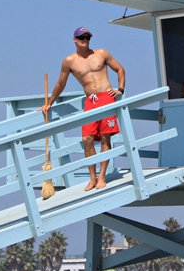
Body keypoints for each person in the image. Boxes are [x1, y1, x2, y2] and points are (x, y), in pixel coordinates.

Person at [42, 26, 126, 191]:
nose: (85, 40)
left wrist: (120, 89)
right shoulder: (69, 61)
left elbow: (120, 69)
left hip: (106, 97)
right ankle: (92, 177)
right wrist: (50, 102)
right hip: (91, 99)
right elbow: (61, 83)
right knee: (87, 139)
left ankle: (102, 176)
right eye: (82, 38)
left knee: (105, 138)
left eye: (88, 38)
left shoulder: (101, 53)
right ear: (75, 39)